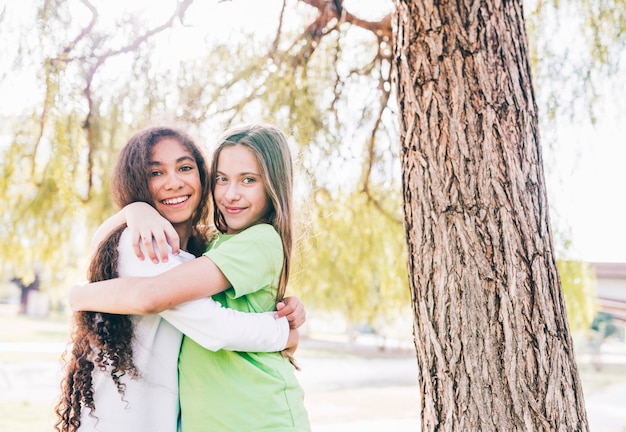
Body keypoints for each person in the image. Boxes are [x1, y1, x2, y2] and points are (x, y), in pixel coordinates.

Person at [56, 126, 305, 432]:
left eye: (185, 168)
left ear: (201, 176)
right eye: (155, 173)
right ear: (135, 181)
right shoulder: (143, 242)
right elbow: (211, 324)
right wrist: (283, 332)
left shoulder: (199, 251)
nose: (173, 183)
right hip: (121, 421)